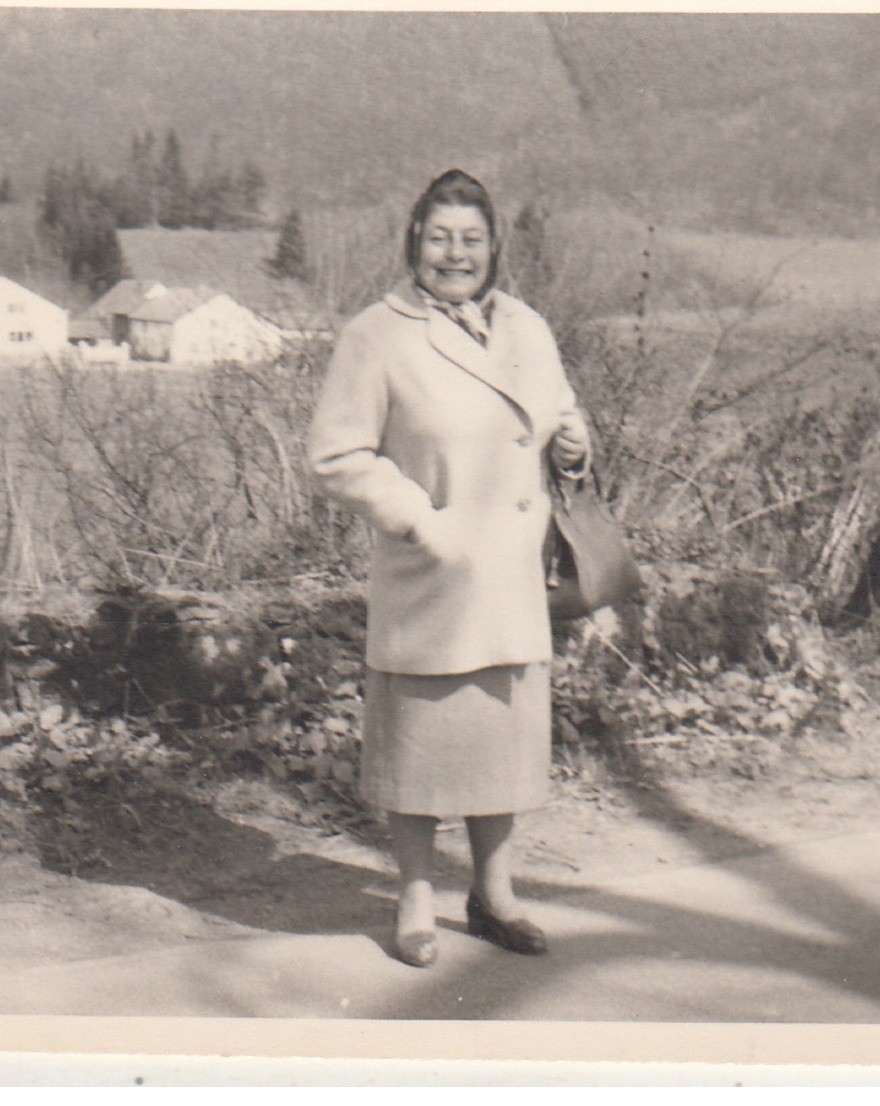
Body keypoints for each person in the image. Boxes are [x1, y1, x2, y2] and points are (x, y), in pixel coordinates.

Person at [307, 169, 590, 967]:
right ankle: (415, 900)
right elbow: (334, 454)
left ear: (495, 246)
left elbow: (560, 411)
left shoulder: (528, 328)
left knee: (500, 741)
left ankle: (494, 894)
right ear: (412, 244)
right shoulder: (377, 334)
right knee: (422, 748)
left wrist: (573, 441)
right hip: (432, 574)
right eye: (439, 238)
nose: (454, 254)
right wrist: (417, 521)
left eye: (470, 239)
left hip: (508, 577)